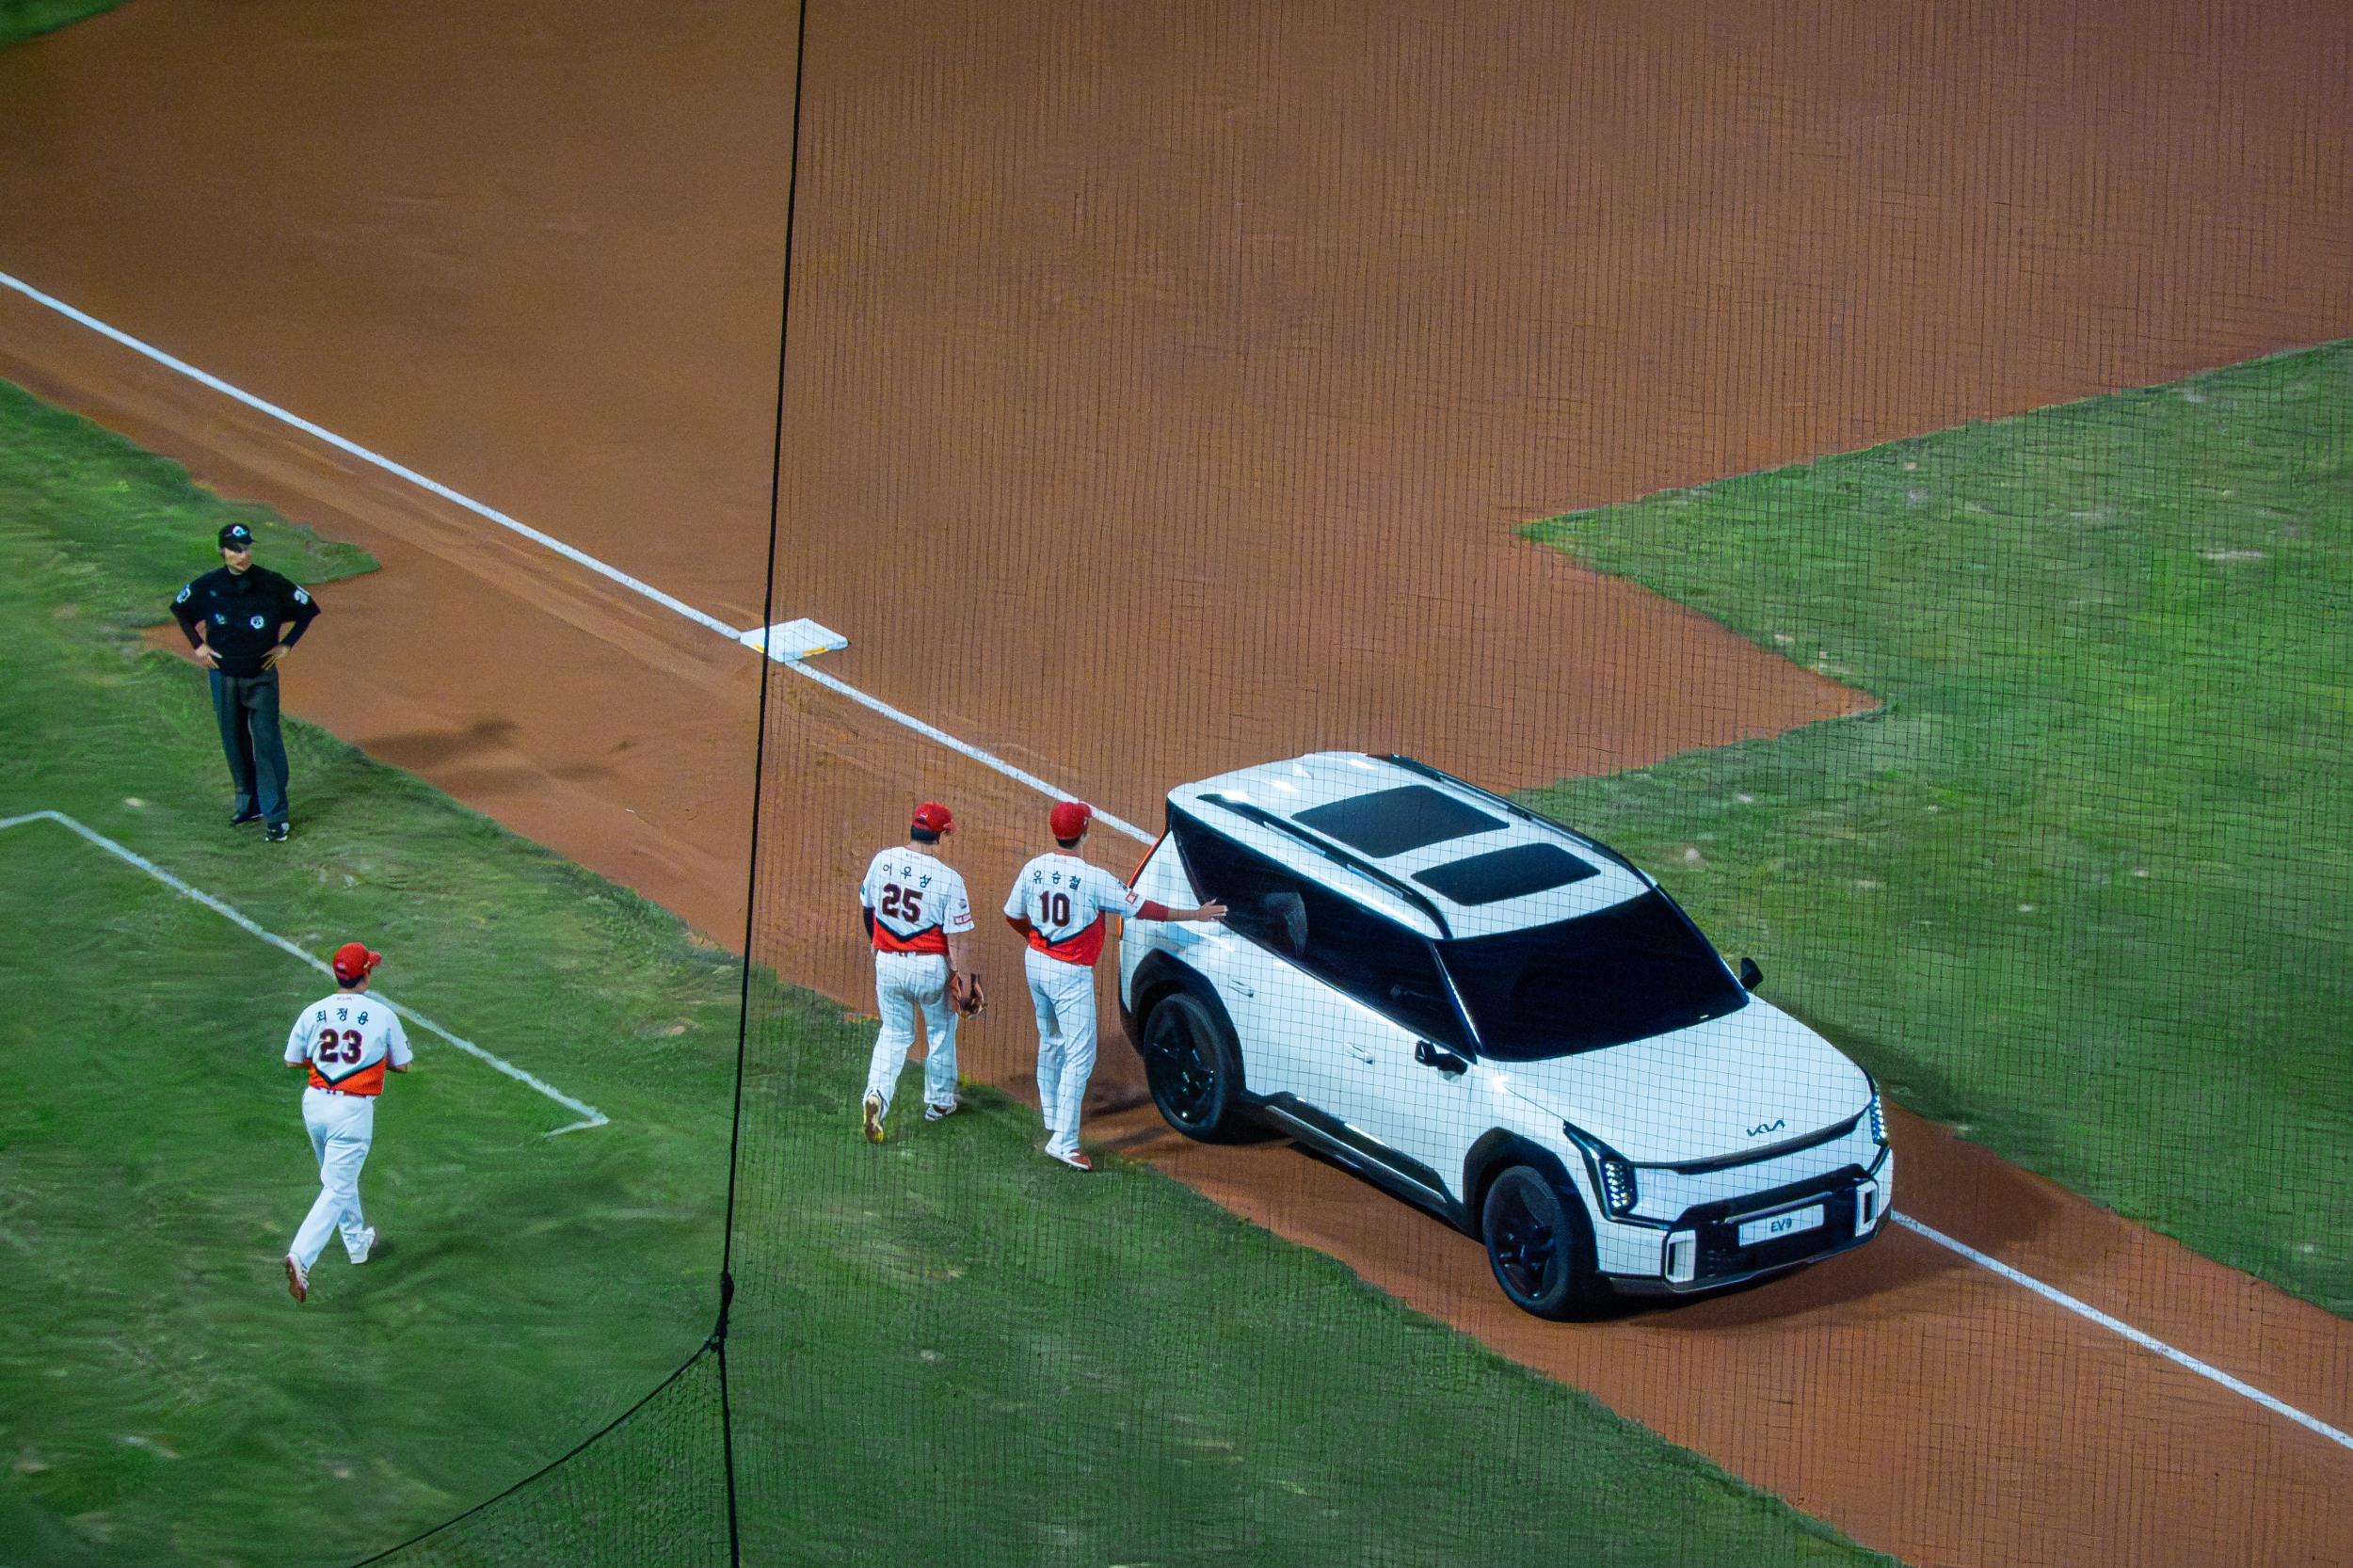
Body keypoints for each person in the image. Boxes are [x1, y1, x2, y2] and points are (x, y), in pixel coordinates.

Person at [1005, 801, 1225, 1170]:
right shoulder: (1094, 879)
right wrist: (1197, 914)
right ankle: (1064, 1142)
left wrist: (1038, 943)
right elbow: (1145, 909)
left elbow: (1012, 915)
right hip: (1069, 974)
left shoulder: (1033, 868)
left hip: (1036, 963)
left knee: (1051, 1040)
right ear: (1084, 832)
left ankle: (1052, 1115)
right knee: (1080, 1055)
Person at [170, 521, 321, 842]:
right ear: (222, 550)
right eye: (236, 550)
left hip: (260, 674)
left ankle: (276, 816)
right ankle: (249, 804)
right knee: (233, 740)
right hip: (223, 675)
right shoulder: (209, 585)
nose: (243, 555)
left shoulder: (270, 582)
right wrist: (198, 645)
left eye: (247, 548)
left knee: (267, 741)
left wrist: (287, 644)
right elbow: (180, 608)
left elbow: (308, 608)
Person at [281, 942, 411, 1303]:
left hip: (314, 1104)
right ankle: (300, 1256)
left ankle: (357, 1244)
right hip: (352, 1112)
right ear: (364, 977)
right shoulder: (382, 1014)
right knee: (337, 1187)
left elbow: (293, 1060)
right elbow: (402, 1065)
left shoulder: (313, 1012)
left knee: (339, 1178)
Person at [858, 802, 984, 1143]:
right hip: (930, 967)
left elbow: (869, 910)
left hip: (888, 962)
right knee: (940, 1031)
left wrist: (876, 941)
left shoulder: (882, 860)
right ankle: (940, 1102)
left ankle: (877, 1095)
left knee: (893, 1034)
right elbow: (957, 939)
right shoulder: (949, 879)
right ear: (940, 835)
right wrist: (964, 980)